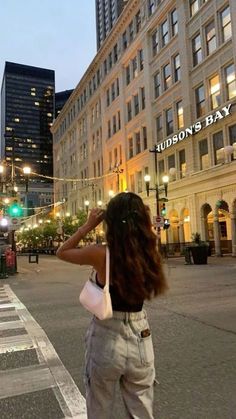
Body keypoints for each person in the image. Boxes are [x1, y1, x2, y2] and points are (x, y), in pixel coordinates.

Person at [56, 192, 168, 419]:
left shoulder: (101, 254)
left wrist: (87, 225)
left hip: (107, 335)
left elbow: (62, 252)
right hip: (141, 336)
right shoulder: (149, 252)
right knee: (141, 410)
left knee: (100, 407)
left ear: (111, 222)